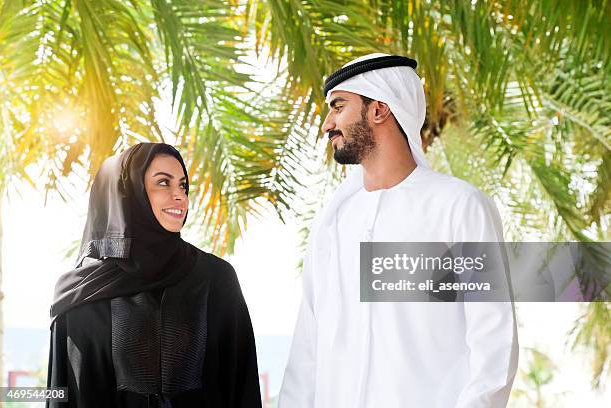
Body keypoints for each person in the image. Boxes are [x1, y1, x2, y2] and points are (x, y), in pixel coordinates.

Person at [279, 54, 519, 407]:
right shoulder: (334, 223)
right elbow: (307, 348)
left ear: (378, 109)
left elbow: (494, 346)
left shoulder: (459, 206)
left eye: (339, 106)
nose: (328, 122)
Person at [47, 143, 262, 407]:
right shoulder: (80, 294)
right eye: (163, 183)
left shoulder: (214, 279)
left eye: (183, 186)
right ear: (129, 192)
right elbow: (61, 393)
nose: (180, 196)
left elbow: (243, 387)